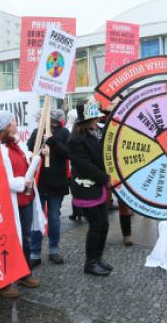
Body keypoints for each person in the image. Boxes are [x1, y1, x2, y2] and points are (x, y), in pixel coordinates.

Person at [0, 111, 45, 297]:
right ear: (3, 126)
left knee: (25, 238)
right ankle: (3, 284)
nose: (15, 123)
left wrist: (39, 154)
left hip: (25, 199)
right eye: (11, 121)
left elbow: (28, 158)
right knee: (6, 242)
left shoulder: (17, 143)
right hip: (8, 202)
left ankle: (24, 273)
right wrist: (21, 183)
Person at [67, 96, 112, 276]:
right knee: (96, 225)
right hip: (86, 188)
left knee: (105, 224)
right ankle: (90, 263)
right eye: (94, 119)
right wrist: (105, 177)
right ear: (86, 121)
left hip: (98, 185)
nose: (98, 120)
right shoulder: (76, 139)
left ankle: (98, 257)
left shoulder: (94, 133)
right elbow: (85, 165)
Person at [27, 109, 70, 267]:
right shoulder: (37, 132)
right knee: (37, 219)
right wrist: (38, 151)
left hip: (57, 182)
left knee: (53, 218)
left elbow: (67, 153)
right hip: (40, 182)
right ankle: (34, 252)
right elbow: (29, 151)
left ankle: (53, 250)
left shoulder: (64, 132)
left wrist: (52, 141)